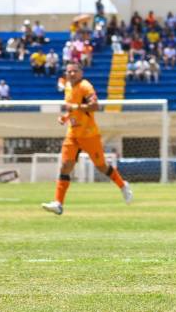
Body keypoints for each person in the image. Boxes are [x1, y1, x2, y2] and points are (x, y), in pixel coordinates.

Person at [41, 62, 132, 215]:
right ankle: (58, 203)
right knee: (65, 166)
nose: (71, 74)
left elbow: (95, 106)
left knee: (102, 167)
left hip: (89, 134)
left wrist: (76, 108)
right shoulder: (68, 87)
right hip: (73, 134)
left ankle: (123, 186)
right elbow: (72, 109)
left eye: (74, 71)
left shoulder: (85, 86)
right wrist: (65, 117)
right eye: (69, 71)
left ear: (80, 73)